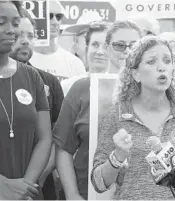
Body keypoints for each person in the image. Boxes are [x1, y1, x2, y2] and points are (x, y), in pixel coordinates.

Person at [91, 36, 175, 200]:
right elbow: (98, 183)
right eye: (151, 62)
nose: (162, 68)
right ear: (136, 74)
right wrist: (118, 156)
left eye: (167, 61)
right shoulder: (117, 116)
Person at [54, 20, 142, 200]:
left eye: (134, 45)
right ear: (108, 48)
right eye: (119, 45)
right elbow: (63, 148)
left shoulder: (155, 90)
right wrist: (72, 195)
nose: (126, 50)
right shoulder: (82, 88)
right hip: (88, 193)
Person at [8, 9, 64, 200]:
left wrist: (32, 183)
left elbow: (57, 137)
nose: (25, 40)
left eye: (30, 35)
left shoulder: (47, 81)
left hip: (37, 188)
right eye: (19, 34)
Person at [0, 1, 52, 200]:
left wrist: (25, 187)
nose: (11, 30)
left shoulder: (31, 76)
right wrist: (3, 186)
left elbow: (44, 138)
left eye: (14, 23)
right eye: (1, 22)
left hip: (26, 194)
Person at [29, 0, 85, 81]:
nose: (55, 22)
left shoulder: (74, 63)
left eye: (58, 16)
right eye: (49, 16)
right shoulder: (23, 59)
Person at [61, 21, 111, 96]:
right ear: (87, 49)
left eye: (105, 46)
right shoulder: (68, 86)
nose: (100, 51)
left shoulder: (122, 86)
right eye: (95, 45)